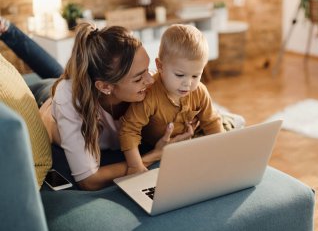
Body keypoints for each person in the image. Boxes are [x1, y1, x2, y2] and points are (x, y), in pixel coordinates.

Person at [45, 22, 196, 191]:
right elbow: (89, 180)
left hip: (84, 85)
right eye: (138, 78)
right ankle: (11, 31)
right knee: (51, 78)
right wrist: (154, 155)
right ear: (105, 87)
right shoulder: (69, 100)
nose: (151, 80)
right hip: (53, 109)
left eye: (148, 69)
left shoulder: (148, 88)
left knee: (57, 74)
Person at [119, 24, 224, 174]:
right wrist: (135, 166)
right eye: (180, 75)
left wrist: (221, 152)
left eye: (195, 75)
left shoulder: (200, 91)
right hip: (156, 147)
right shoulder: (148, 95)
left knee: (225, 127)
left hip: (190, 139)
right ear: (160, 66)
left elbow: (211, 122)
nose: (188, 83)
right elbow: (128, 130)